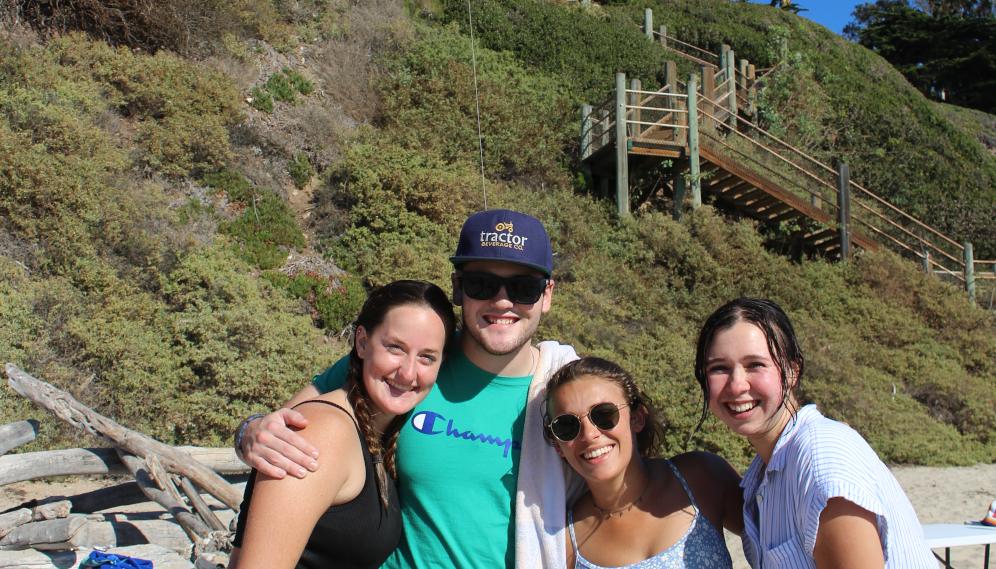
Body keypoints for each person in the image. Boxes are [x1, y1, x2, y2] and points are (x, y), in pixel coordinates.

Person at [232, 209, 584, 568]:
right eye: (482, 284)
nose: (502, 301)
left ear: (547, 294)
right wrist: (250, 430)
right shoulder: (410, 367)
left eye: (524, 288)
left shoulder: (568, 398)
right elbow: (287, 426)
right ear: (459, 288)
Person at [229, 280, 458, 569]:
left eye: (427, 357)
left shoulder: (372, 432)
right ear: (362, 342)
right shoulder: (324, 433)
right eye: (395, 348)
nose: (408, 372)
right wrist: (248, 428)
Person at [694, 297, 937, 568]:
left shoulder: (820, 458)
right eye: (719, 368)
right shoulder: (767, 471)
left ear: (792, 370)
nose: (737, 385)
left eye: (756, 365)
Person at [545, 357, 743, 569]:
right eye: (567, 425)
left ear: (636, 418)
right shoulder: (564, 542)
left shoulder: (701, 476)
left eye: (603, 414)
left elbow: (775, 536)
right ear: (558, 446)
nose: (589, 434)